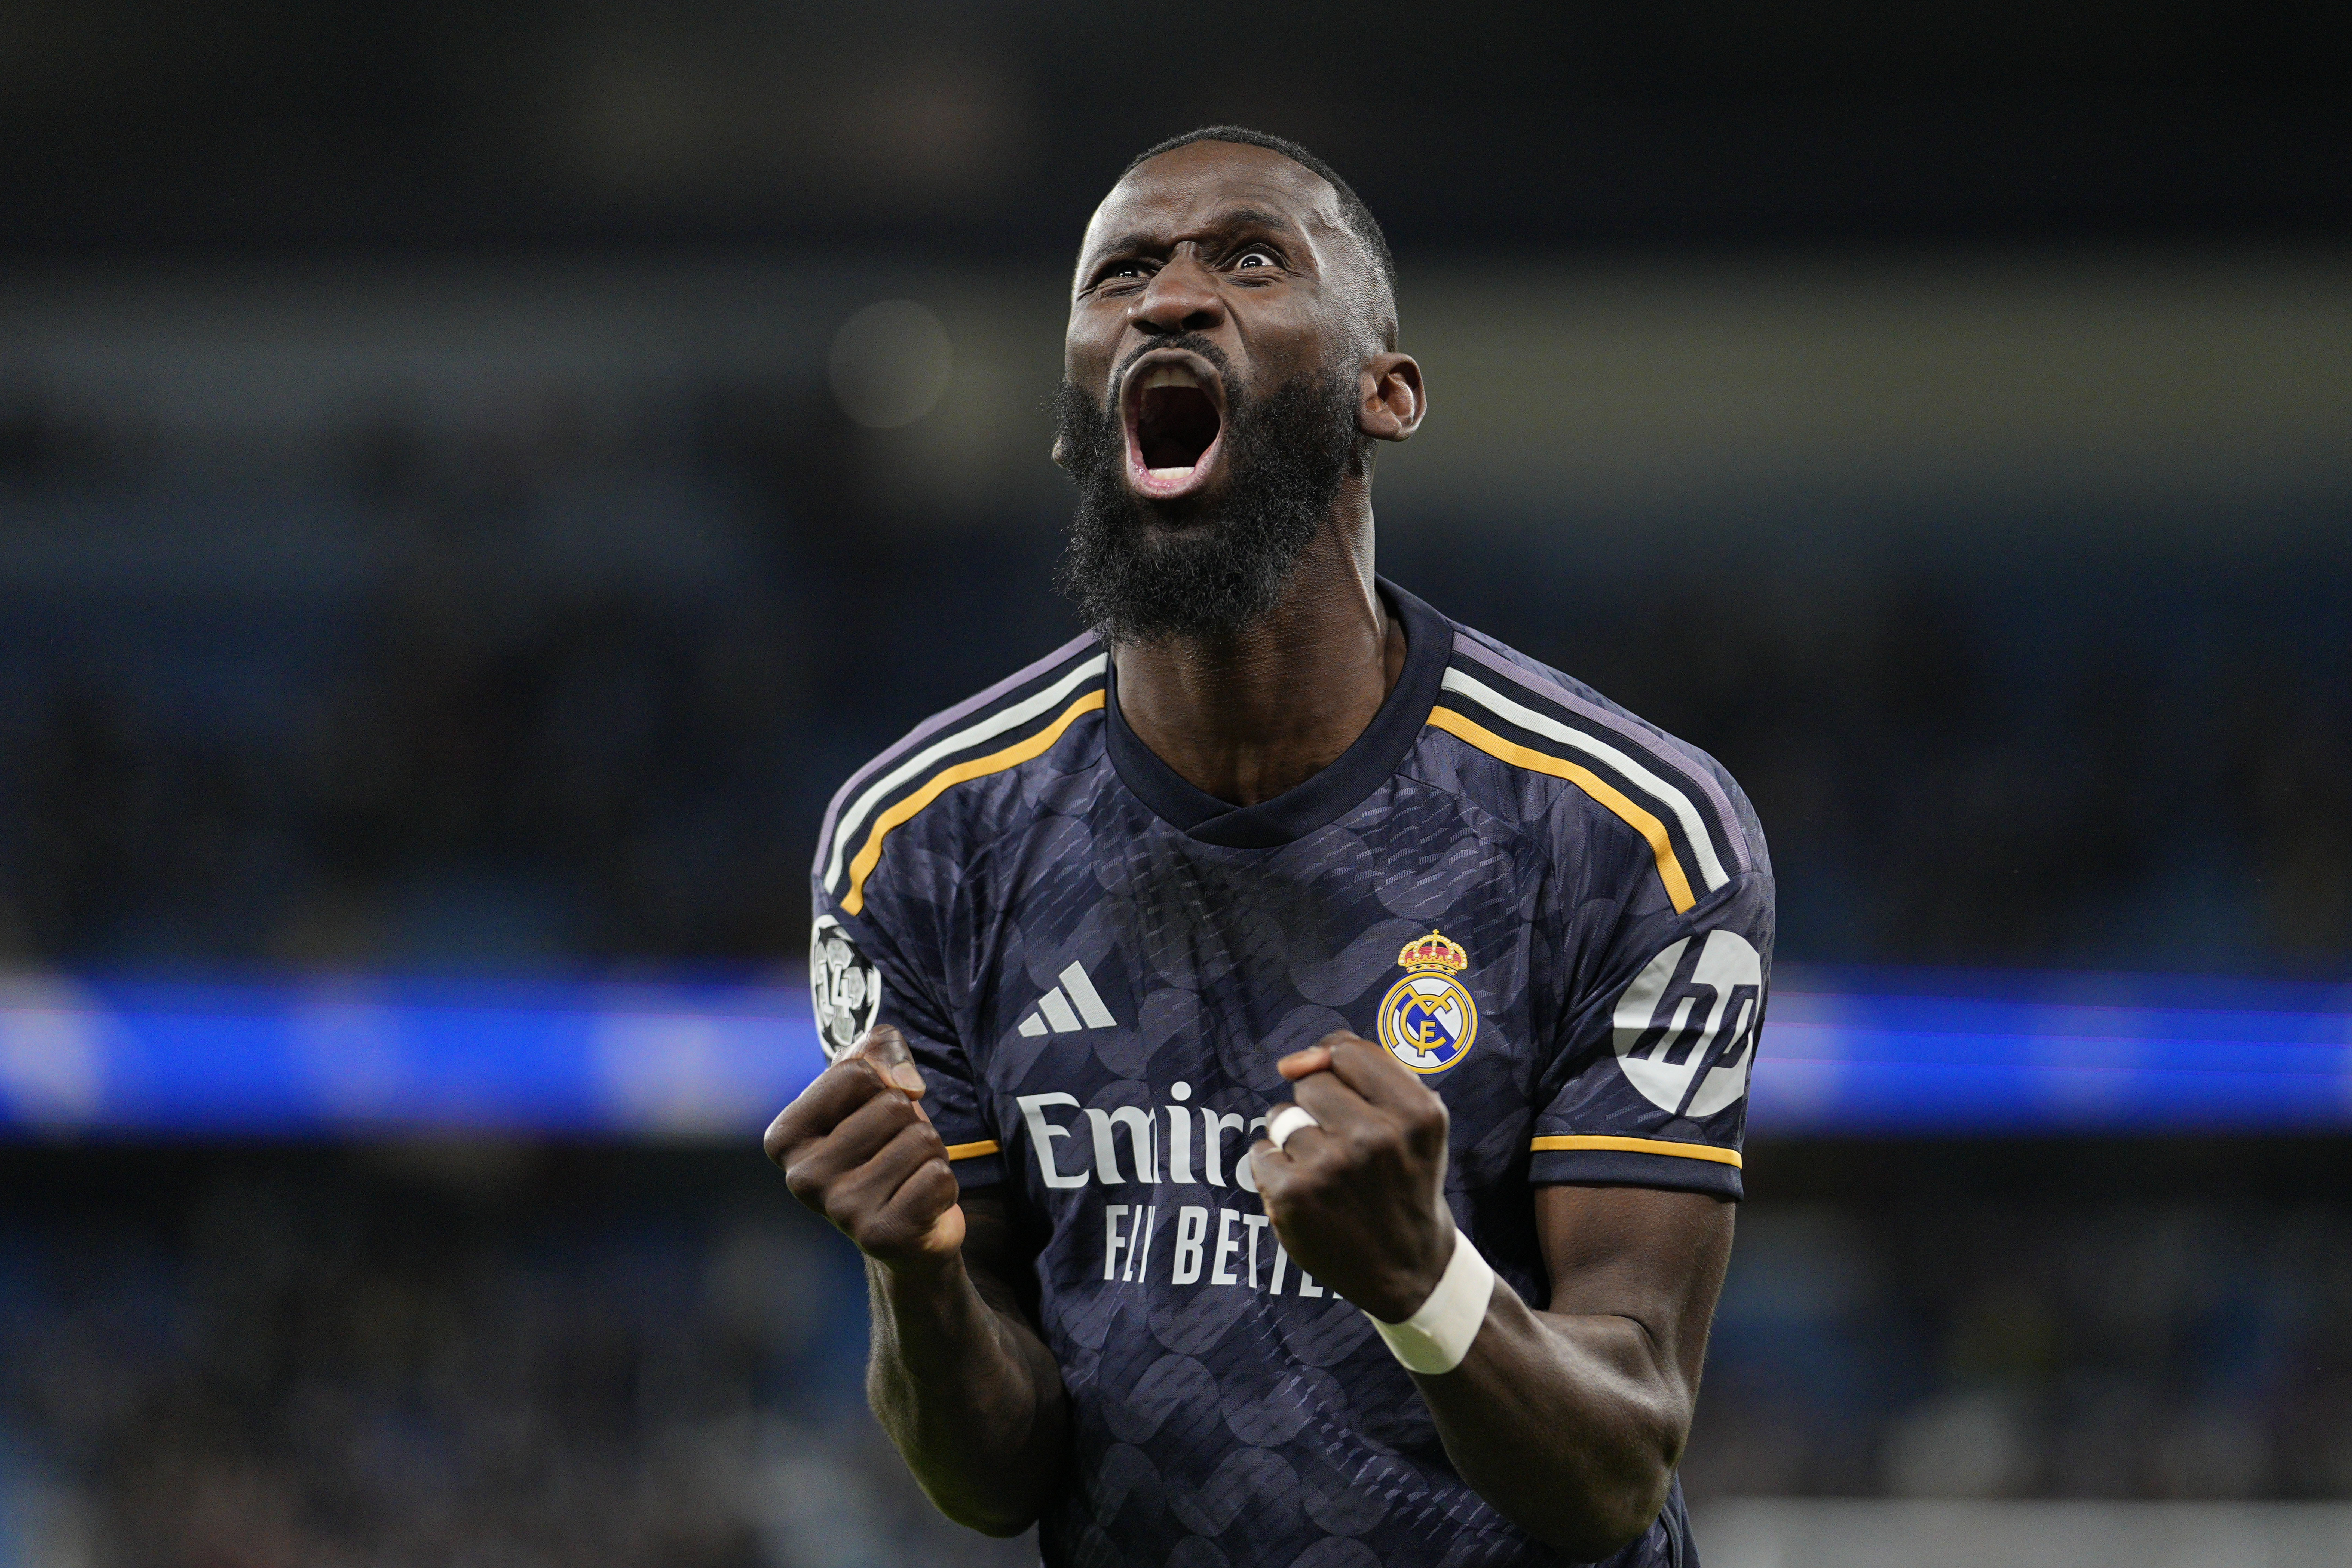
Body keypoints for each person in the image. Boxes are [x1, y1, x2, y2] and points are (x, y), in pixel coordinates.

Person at [768, 126, 1772, 1567]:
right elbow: (995, 1480)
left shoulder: (1628, 833)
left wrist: (1421, 1281)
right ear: (1073, 419)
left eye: (1250, 259)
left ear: (1389, 394)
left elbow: (1616, 1470)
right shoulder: (919, 841)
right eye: (1120, 273)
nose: (1170, 298)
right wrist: (918, 1285)